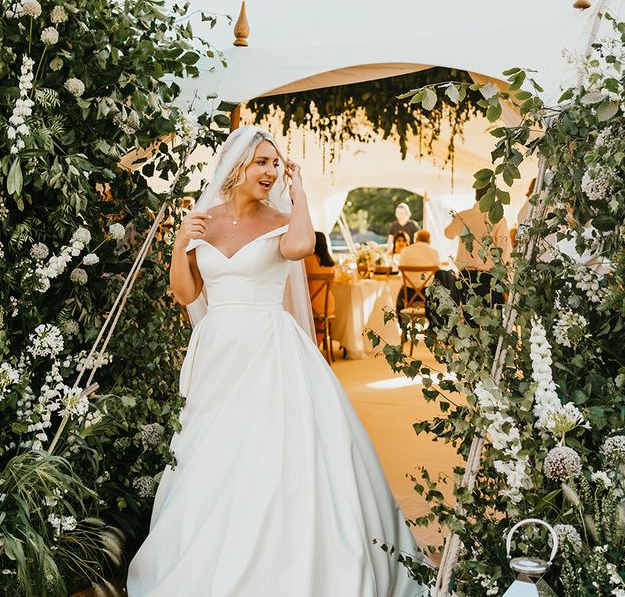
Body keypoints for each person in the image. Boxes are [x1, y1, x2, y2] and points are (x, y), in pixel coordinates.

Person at [127, 125, 424, 596]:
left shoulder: (280, 220)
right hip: (218, 353)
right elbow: (185, 293)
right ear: (236, 167)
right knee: (214, 454)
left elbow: (300, 248)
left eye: (274, 163)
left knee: (273, 452)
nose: (269, 171)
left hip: (271, 350)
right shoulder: (203, 219)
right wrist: (178, 245)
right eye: (261, 162)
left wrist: (300, 195)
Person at [444, 186, 511, 308]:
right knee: (493, 321)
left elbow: (448, 234)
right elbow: (505, 251)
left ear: (476, 196)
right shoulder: (498, 219)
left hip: (467, 276)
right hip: (490, 276)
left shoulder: (462, 216)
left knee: (470, 322)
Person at [395, 229, 440, 312]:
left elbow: (400, 266)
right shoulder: (434, 252)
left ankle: (402, 324)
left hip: (408, 293)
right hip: (427, 294)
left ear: (415, 239)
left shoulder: (404, 251)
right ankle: (433, 323)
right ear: (429, 241)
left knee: (398, 302)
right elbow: (437, 271)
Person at [304, 231, 336, 346]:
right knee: (321, 322)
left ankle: (311, 347)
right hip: (326, 305)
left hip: (309, 304)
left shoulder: (305, 261)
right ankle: (316, 347)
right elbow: (333, 284)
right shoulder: (330, 263)